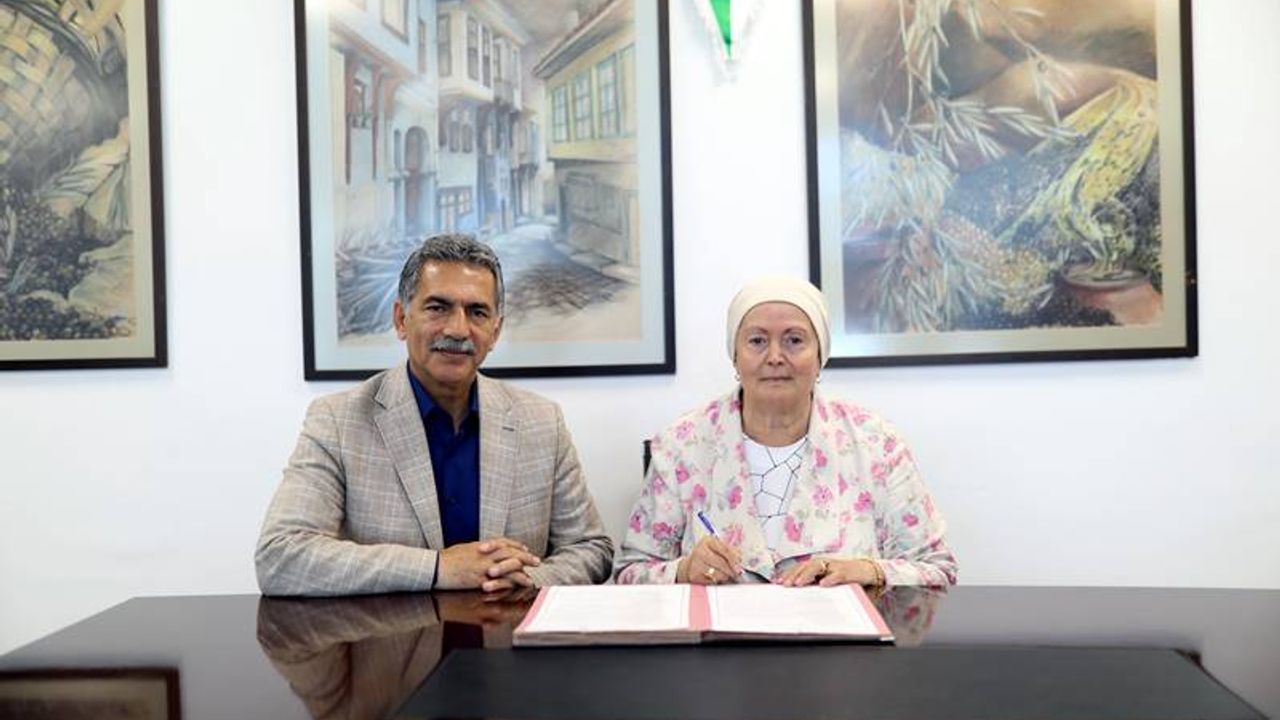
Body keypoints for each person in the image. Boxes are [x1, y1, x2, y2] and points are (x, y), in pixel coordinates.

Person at [256, 233, 613, 595]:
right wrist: (440, 568)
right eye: (438, 308)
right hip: (391, 632)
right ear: (401, 319)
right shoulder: (338, 421)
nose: (458, 329)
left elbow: (591, 549)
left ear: (495, 331)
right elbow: (280, 557)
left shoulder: (542, 422)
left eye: (477, 312)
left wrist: (525, 579)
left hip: (509, 630)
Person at [613, 276, 956, 587]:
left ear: (820, 356)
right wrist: (683, 570)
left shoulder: (876, 444)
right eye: (757, 341)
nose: (775, 356)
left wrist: (869, 571)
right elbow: (630, 572)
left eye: (794, 340)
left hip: (841, 636)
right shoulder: (682, 444)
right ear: (735, 356)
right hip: (719, 636)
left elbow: (938, 569)